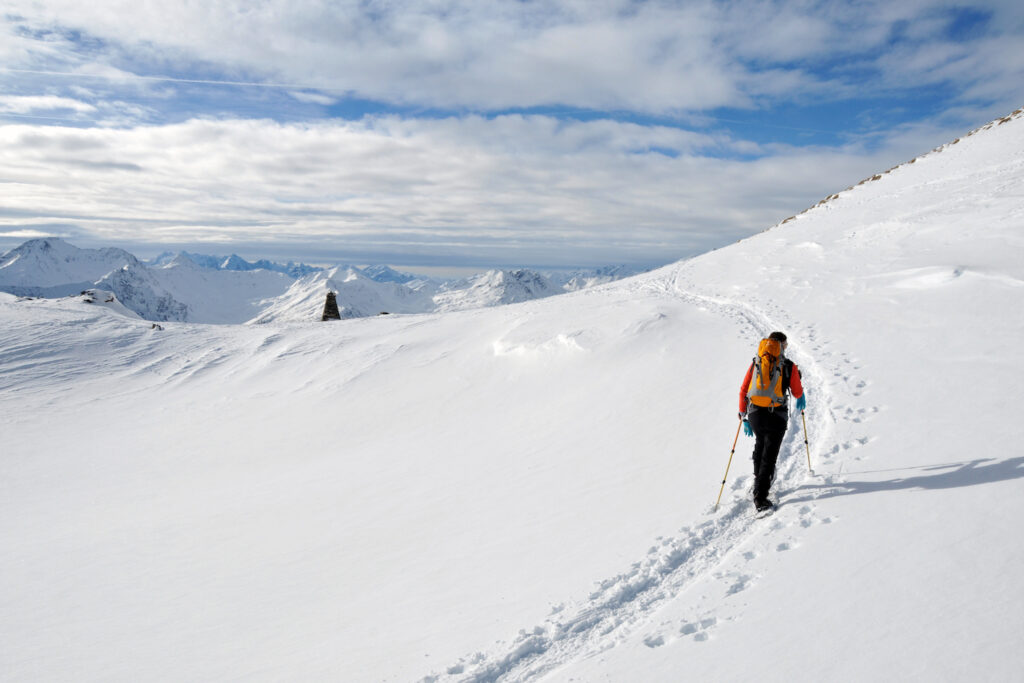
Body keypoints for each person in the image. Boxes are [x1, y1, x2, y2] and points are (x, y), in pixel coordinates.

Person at [738, 331, 806, 512]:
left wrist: (743, 414)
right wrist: (798, 378)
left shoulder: (757, 362)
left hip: (755, 414)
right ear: (782, 345)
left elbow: (744, 389)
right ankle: (760, 498)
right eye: (786, 345)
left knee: (760, 444)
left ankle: (758, 480)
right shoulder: (789, 366)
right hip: (776, 415)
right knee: (770, 454)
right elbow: (797, 392)